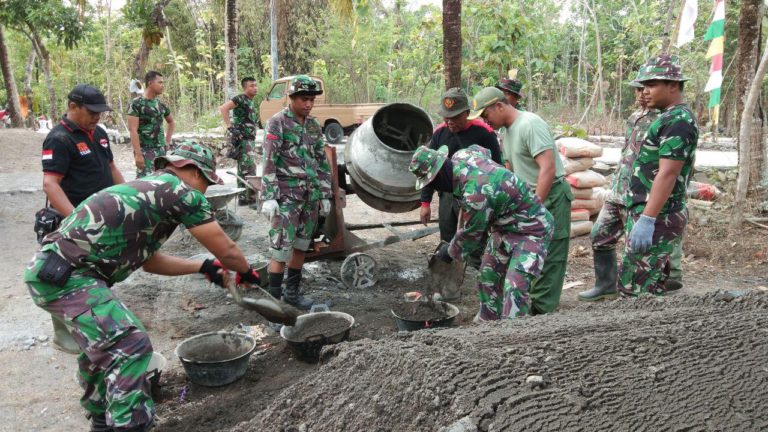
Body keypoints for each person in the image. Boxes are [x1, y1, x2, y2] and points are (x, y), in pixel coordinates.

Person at [24, 142, 262, 432]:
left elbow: (150, 262)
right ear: (193, 171)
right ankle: (129, 426)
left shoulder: (150, 191)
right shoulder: (181, 192)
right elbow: (228, 251)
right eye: (207, 183)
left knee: (105, 346)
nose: (204, 191)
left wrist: (202, 266)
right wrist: (247, 273)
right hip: (70, 275)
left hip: (56, 271)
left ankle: (101, 420)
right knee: (129, 344)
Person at [410, 145, 553, 320]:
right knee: (487, 276)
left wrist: (448, 252)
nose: (435, 188)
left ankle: (513, 331)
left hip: (531, 229)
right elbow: (485, 151)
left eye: (432, 184)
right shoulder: (463, 154)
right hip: (503, 228)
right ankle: (488, 323)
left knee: (515, 286)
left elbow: (471, 234)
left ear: (439, 176)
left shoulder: (475, 195)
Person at [469, 87, 572, 315]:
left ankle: (542, 313)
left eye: (486, 115)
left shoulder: (529, 124)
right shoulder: (506, 132)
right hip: (526, 199)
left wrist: (535, 207)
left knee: (551, 257)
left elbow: (547, 168)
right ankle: (515, 309)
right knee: (527, 256)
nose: (485, 121)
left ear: (499, 106)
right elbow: (510, 170)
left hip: (550, 195)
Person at [41, 84, 126, 353]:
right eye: (91, 112)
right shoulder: (59, 139)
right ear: (73, 107)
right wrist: (75, 219)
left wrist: (128, 198)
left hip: (101, 217)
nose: (97, 117)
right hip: (75, 219)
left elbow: (111, 167)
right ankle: (62, 334)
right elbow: (50, 184)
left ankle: (95, 322)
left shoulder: (99, 133)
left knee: (97, 271)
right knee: (62, 274)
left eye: (100, 112)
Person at [617, 54, 698, 296]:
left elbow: (668, 172)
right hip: (649, 211)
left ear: (673, 86)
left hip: (659, 215)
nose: (645, 91)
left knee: (635, 291)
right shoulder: (666, 117)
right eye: (644, 85)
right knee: (646, 288)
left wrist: (648, 219)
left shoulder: (678, 121)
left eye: (652, 84)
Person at [261, 75, 332, 309]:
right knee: (281, 249)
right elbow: (268, 160)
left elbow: (321, 161)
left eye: (312, 100)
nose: (309, 104)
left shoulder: (313, 125)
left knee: (301, 245)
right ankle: (275, 304)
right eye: (304, 99)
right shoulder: (277, 123)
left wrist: (325, 193)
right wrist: (269, 196)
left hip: (309, 196)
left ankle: (291, 294)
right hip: (286, 197)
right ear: (291, 97)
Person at [419, 87, 502, 244]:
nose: (450, 121)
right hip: (447, 196)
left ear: (467, 112)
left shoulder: (484, 133)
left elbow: (498, 170)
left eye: (455, 117)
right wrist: (425, 203)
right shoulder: (439, 133)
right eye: (446, 117)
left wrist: (493, 206)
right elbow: (429, 170)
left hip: (477, 196)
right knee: (447, 237)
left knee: (474, 240)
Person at [219, 76, 262, 205]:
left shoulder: (250, 101)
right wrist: (230, 127)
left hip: (249, 139)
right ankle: (251, 198)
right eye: (251, 86)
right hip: (243, 139)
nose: (255, 88)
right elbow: (223, 108)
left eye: (255, 85)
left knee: (243, 168)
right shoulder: (240, 98)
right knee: (249, 168)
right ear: (245, 88)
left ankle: (243, 197)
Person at [128, 71, 175, 178]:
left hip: (161, 151)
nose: (163, 85)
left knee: (161, 180)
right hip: (145, 151)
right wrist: (138, 154)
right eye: (160, 82)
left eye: (163, 83)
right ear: (150, 83)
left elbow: (171, 122)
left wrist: (167, 141)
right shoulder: (136, 104)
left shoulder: (160, 104)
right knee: (145, 181)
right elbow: (133, 130)